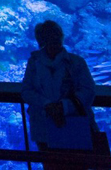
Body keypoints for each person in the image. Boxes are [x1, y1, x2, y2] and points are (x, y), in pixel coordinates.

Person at [21, 20, 96, 166]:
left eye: (57, 35)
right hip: (43, 128)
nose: (55, 39)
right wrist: (47, 104)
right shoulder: (34, 62)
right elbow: (26, 90)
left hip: (74, 125)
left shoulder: (76, 62)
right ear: (42, 39)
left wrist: (63, 106)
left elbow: (88, 90)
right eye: (51, 35)